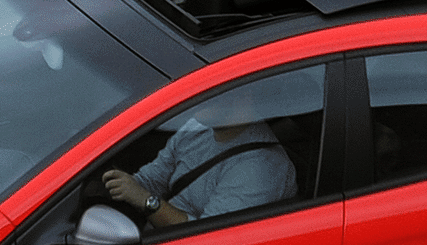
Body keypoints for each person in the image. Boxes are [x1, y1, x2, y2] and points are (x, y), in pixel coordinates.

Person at [102, 81, 297, 229]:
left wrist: (147, 201)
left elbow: (203, 238)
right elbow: (153, 179)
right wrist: (117, 185)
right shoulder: (199, 125)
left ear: (242, 98)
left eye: (215, 92)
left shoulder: (258, 170)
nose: (201, 96)